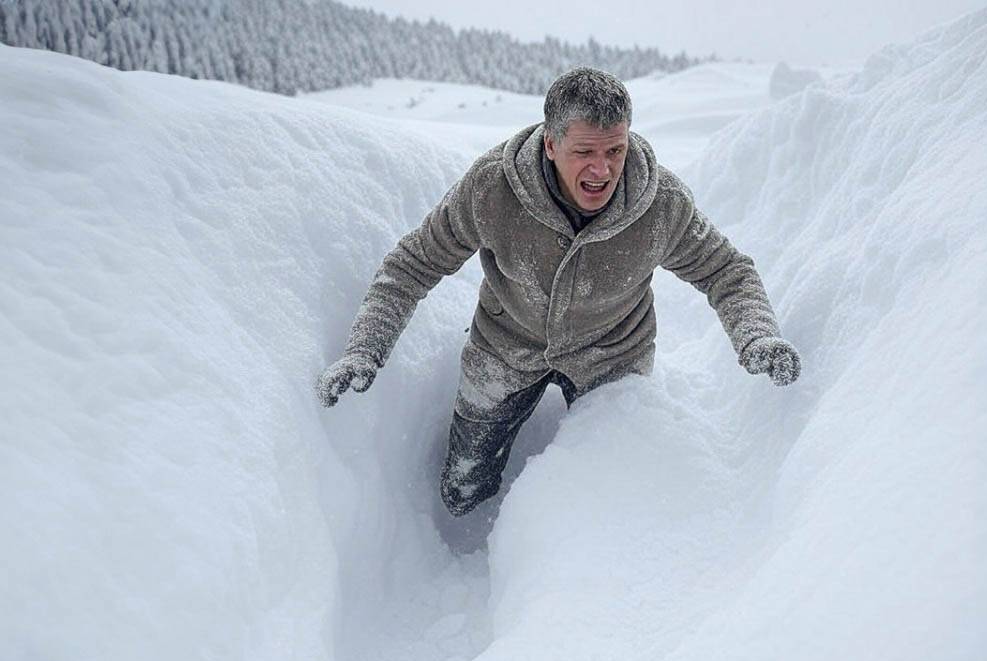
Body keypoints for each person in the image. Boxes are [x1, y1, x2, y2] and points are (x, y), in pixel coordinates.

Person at [317, 67, 800, 517]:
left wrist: (756, 336)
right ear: (550, 144)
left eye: (615, 151)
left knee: (605, 499)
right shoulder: (491, 190)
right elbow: (412, 264)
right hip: (504, 349)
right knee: (462, 489)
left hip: (613, 357)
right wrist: (365, 351)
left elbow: (728, 271)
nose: (603, 170)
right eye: (585, 152)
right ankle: (465, 545)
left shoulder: (661, 206)